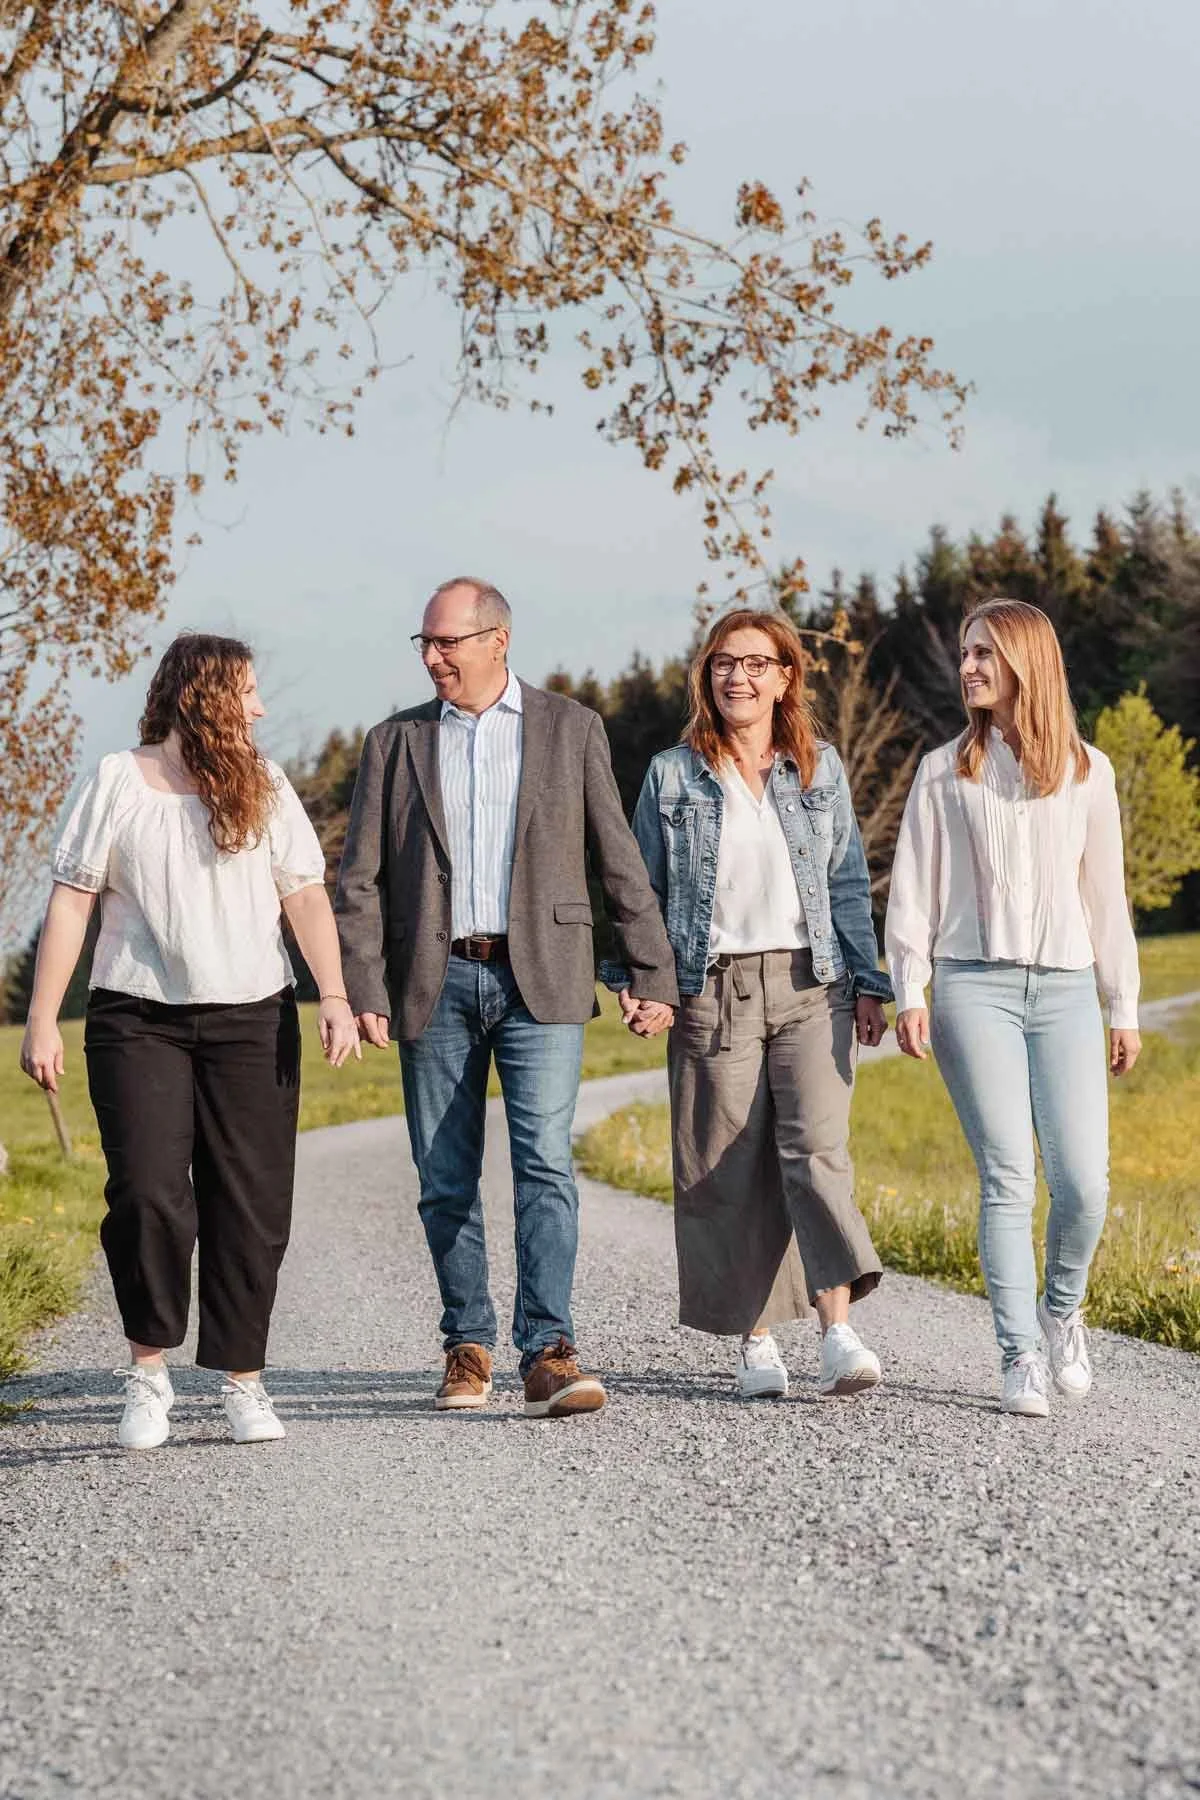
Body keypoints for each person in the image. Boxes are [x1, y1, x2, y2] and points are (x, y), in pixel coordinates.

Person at [334, 578, 678, 1418]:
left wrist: (649, 969)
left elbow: (618, 858)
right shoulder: (396, 742)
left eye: (447, 641)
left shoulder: (572, 728)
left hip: (545, 976)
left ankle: (548, 1349)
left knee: (545, 1165)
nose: (432, 656)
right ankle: (468, 1345)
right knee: (443, 1176)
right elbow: (360, 878)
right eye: (424, 643)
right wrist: (362, 984)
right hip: (433, 977)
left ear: (498, 640)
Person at [19, 634, 360, 1450]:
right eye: (247, 691)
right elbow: (71, 901)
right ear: (204, 695)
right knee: (145, 1193)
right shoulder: (117, 780)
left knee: (250, 1203)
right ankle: (147, 1374)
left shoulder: (268, 784)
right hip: (137, 1017)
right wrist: (39, 1017)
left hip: (252, 1017)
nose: (261, 708)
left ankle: (243, 1383)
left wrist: (336, 996)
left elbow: (306, 897)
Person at [616, 608, 892, 1400]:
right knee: (726, 1165)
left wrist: (868, 983)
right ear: (708, 677)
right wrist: (648, 984)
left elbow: (844, 883)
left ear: (784, 677)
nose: (737, 677)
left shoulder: (818, 769)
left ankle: (838, 1332)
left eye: (755, 664)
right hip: (714, 987)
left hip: (814, 985)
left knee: (816, 1155)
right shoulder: (673, 774)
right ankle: (757, 1342)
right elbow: (641, 891)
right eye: (723, 664)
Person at [886, 598, 1141, 1418]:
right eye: (965, 653)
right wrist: (909, 988)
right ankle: (1018, 1356)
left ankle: (1060, 1311)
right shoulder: (940, 772)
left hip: (1066, 989)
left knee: (1085, 1184)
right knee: (1008, 1178)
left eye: (985, 654)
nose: (968, 667)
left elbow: (1106, 896)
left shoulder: (1087, 771)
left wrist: (1122, 1003)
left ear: (1027, 662)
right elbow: (913, 891)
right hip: (972, 987)